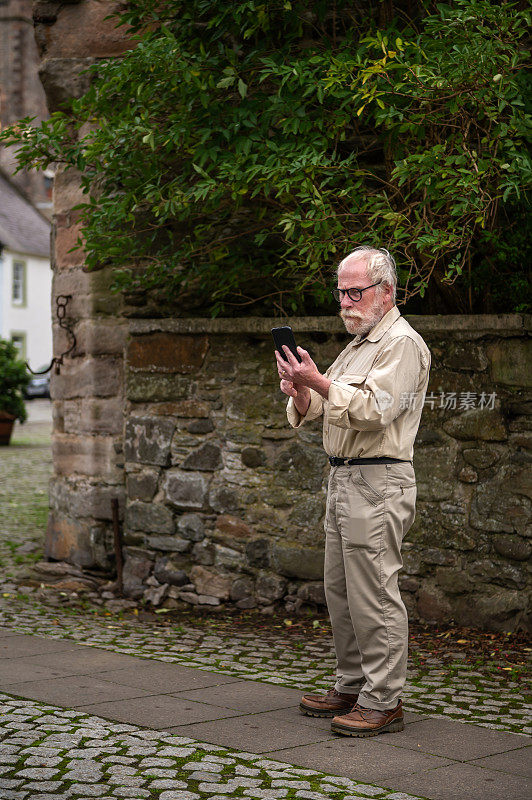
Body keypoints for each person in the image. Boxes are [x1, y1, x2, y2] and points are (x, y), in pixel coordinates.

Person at [275, 246, 431, 737]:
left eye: (355, 291)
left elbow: (374, 410)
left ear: (386, 291)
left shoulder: (402, 344)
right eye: (341, 292)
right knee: (341, 592)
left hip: (378, 479)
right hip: (344, 477)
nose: (345, 301)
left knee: (374, 595)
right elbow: (328, 407)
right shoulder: (360, 344)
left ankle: (384, 701)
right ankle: (351, 686)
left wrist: (317, 380)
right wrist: (303, 391)